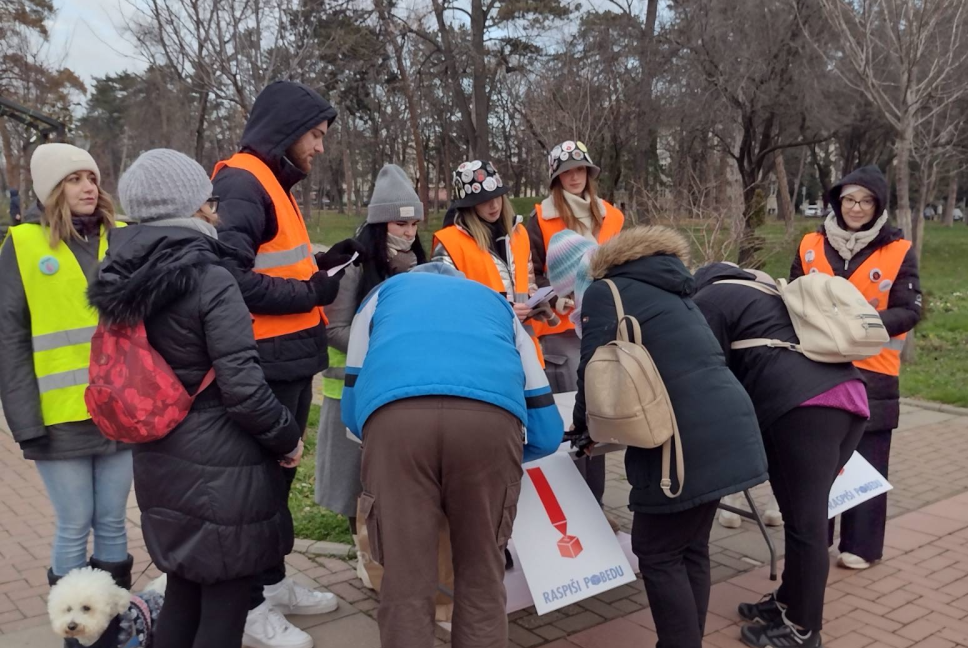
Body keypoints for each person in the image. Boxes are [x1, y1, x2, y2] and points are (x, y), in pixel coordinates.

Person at [87, 149, 304, 648]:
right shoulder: (210, 278)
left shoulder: (117, 273)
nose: (217, 209)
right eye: (210, 200)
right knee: (225, 606)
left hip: (159, 455)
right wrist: (287, 439)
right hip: (223, 465)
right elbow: (244, 388)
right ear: (195, 207)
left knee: (184, 593)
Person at [547, 227, 768, 648]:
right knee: (691, 548)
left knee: (656, 550)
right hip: (727, 422)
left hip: (678, 442)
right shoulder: (665, 284)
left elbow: (592, 369)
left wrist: (580, 429)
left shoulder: (602, 291)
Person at [212, 80, 364, 648]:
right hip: (264, 361)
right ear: (287, 130)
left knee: (277, 484)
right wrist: (312, 293)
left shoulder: (273, 183)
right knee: (255, 491)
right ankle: (247, 606)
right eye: (317, 136)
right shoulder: (243, 182)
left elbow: (277, 265)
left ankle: (271, 582)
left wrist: (323, 265)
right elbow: (228, 277)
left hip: (294, 358)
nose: (320, 149)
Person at [341, 262, 562, 648]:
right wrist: (503, 460)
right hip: (489, 427)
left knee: (405, 581)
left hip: (396, 426)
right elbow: (547, 431)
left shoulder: (380, 297)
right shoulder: (497, 304)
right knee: (481, 575)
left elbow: (351, 411)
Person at [693, 263, 869, 648]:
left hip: (804, 410)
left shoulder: (709, 300)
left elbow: (708, 372)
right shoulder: (768, 294)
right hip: (849, 398)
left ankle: (804, 630)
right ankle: (789, 601)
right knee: (800, 517)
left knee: (806, 523)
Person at [0, 144, 134, 602]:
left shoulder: (122, 237)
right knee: (76, 522)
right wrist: (25, 424)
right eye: (75, 179)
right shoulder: (23, 244)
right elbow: (10, 339)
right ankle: (76, 631)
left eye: (92, 178)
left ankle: (115, 623)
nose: (88, 187)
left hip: (121, 409)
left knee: (113, 521)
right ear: (52, 189)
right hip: (59, 417)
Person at [791, 165, 921, 571]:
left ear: (878, 205)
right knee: (817, 458)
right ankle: (817, 537)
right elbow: (793, 294)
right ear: (836, 201)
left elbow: (911, 309)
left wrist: (862, 324)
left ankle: (861, 545)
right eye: (849, 199)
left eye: (866, 200)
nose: (856, 207)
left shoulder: (898, 249)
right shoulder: (810, 243)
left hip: (874, 371)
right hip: (816, 366)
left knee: (868, 456)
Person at [315, 164, 426, 576]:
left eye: (414, 222)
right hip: (352, 390)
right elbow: (334, 329)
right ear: (381, 223)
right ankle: (367, 560)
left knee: (392, 483)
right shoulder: (351, 264)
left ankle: (388, 559)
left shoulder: (421, 262)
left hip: (402, 389)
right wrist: (381, 346)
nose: (410, 231)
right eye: (401, 222)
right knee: (354, 484)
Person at [528, 140, 625, 524]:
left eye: (580, 170)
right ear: (555, 178)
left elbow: (625, 259)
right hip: (562, 335)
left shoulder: (612, 216)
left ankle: (594, 509)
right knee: (571, 421)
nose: (574, 177)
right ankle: (566, 511)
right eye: (566, 171)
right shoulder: (540, 219)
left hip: (605, 327)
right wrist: (557, 299)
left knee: (598, 419)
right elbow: (533, 270)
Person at [432, 159, 548, 365]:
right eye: (484, 199)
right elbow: (446, 307)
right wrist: (504, 311)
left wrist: (534, 303)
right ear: (468, 206)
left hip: (525, 349)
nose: (493, 204)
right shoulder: (449, 243)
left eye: (497, 196)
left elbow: (527, 284)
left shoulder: (519, 234)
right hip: (480, 353)